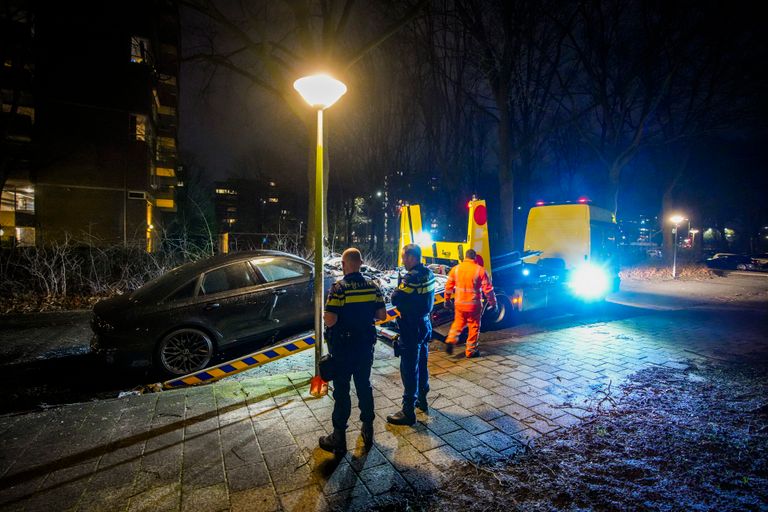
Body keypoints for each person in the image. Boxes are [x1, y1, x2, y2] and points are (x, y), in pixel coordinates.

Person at [319, 248, 387, 456]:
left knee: (342, 390)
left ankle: (339, 437)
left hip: (343, 348)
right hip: (365, 346)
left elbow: (331, 320)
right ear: (360, 263)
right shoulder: (373, 286)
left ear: (344, 264)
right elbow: (381, 314)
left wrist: (326, 316)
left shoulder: (339, 288)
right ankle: (368, 428)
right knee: (364, 386)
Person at [387, 244, 436, 426]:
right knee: (422, 362)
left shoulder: (411, 278)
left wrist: (399, 288)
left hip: (411, 326)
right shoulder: (428, 274)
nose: (403, 261)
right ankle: (422, 400)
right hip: (424, 324)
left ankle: (408, 411)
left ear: (412, 257)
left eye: (404, 257)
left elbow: (395, 298)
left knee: (408, 366)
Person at [443, 248, 496, 358]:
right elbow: (488, 289)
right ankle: (471, 350)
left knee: (458, 323)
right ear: (475, 258)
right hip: (473, 305)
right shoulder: (480, 270)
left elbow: (448, 287)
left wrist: (447, 300)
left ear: (465, 257)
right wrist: (493, 303)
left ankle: (450, 340)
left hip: (459, 304)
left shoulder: (456, 269)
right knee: (474, 326)